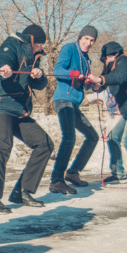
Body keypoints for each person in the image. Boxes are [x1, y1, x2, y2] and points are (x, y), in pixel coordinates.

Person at [0, 25, 54, 214]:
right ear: (33, 41)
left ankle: (23, 192)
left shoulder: (32, 57)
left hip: (19, 110)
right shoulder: (12, 44)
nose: (41, 49)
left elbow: (40, 84)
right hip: (0, 105)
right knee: (3, 146)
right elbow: (1, 62)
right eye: (40, 45)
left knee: (44, 143)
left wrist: (39, 75)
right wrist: (3, 69)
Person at [88, 42, 127, 189]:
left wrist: (100, 79)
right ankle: (118, 173)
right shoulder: (111, 69)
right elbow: (105, 80)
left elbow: (120, 77)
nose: (105, 62)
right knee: (112, 137)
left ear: (112, 55)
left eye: (105, 59)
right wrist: (95, 84)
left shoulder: (123, 61)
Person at [49, 26, 100, 194]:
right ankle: (56, 180)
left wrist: (91, 82)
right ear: (80, 38)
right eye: (86, 39)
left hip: (74, 103)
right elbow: (57, 71)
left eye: (92, 40)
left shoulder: (86, 59)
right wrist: (72, 73)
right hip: (63, 99)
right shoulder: (69, 48)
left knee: (93, 136)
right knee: (69, 137)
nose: (89, 43)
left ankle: (72, 172)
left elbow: (83, 83)